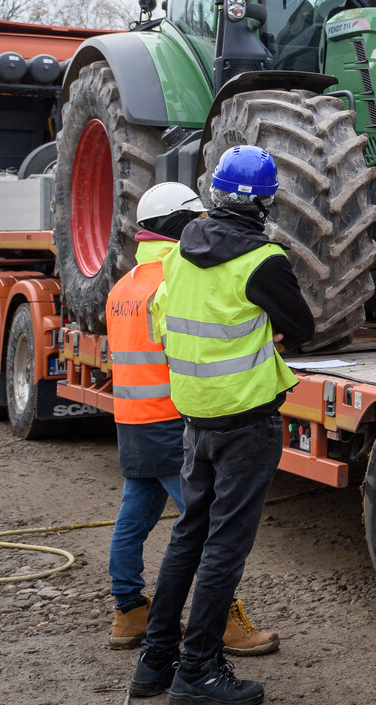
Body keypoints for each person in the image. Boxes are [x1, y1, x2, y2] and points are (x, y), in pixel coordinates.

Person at [131, 147, 314, 705]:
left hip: (196, 416)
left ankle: (157, 659)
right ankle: (200, 671)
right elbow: (303, 327)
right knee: (224, 548)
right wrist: (270, 331)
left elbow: (162, 321)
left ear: (213, 193)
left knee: (191, 534)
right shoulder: (263, 260)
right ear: (266, 201)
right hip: (247, 420)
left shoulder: (179, 255)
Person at [106, 182, 279, 657]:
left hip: (130, 419)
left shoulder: (123, 285)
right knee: (207, 530)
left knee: (134, 517)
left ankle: (127, 611)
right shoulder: (176, 273)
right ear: (180, 222)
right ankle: (222, 622)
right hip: (173, 419)